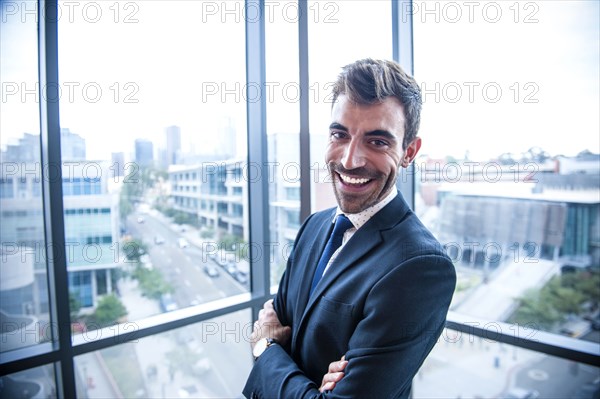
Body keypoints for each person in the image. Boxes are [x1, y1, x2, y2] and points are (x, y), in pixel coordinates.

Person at [243, 58, 456, 398]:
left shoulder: (420, 266)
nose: (349, 160)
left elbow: (267, 337)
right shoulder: (313, 227)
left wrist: (265, 350)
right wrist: (309, 386)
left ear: (409, 152)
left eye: (378, 142)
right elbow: (277, 318)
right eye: (339, 134)